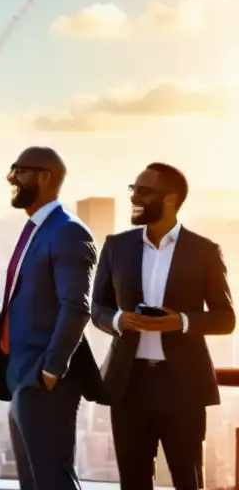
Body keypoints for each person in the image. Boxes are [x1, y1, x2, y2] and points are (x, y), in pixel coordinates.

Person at [0, 146, 103, 490]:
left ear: (45, 177)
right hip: (23, 379)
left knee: (53, 480)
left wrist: (50, 370)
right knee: (32, 484)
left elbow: (77, 307)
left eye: (19, 171)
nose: (11, 178)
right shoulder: (36, 230)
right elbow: (35, 308)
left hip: (44, 381)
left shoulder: (67, 232)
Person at [91, 163, 235, 490]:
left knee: (188, 479)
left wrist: (179, 322)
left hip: (182, 387)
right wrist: (118, 320)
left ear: (170, 200)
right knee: (133, 482)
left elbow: (226, 319)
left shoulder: (204, 251)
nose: (134, 196)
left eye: (143, 190)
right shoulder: (116, 246)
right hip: (129, 385)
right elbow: (96, 307)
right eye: (133, 189)